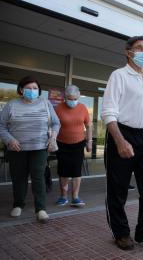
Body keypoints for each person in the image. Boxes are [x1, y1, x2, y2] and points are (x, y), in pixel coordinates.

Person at [102, 35, 143, 251]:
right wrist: (120, 141)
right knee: (118, 189)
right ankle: (121, 233)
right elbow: (108, 112)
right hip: (122, 133)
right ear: (128, 52)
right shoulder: (119, 76)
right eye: (139, 48)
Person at [0, 76, 60, 223]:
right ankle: (18, 204)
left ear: (39, 90)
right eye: (28, 88)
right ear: (21, 89)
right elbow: (1, 126)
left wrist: (53, 138)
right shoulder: (11, 104)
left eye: (35, 88)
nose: (32, 91)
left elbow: (55, 123)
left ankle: (40, 209)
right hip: (16, 148)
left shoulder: (46, 103)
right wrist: (9, 140)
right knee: (18, 177)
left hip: (40, 148)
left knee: (38, 177)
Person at [54, 85, 92, 207]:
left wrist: (89, 141)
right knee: (63, 171)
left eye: (75, 98)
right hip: (62, 143)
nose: (72, 101)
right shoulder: (58, 108)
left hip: (79, 143)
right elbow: (52, 125)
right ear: (65, 97)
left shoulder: (82, 108)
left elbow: (89, 125)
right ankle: (63, 196)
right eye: (69, 98)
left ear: (78, 96)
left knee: (76, 170)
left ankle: (75, 197)